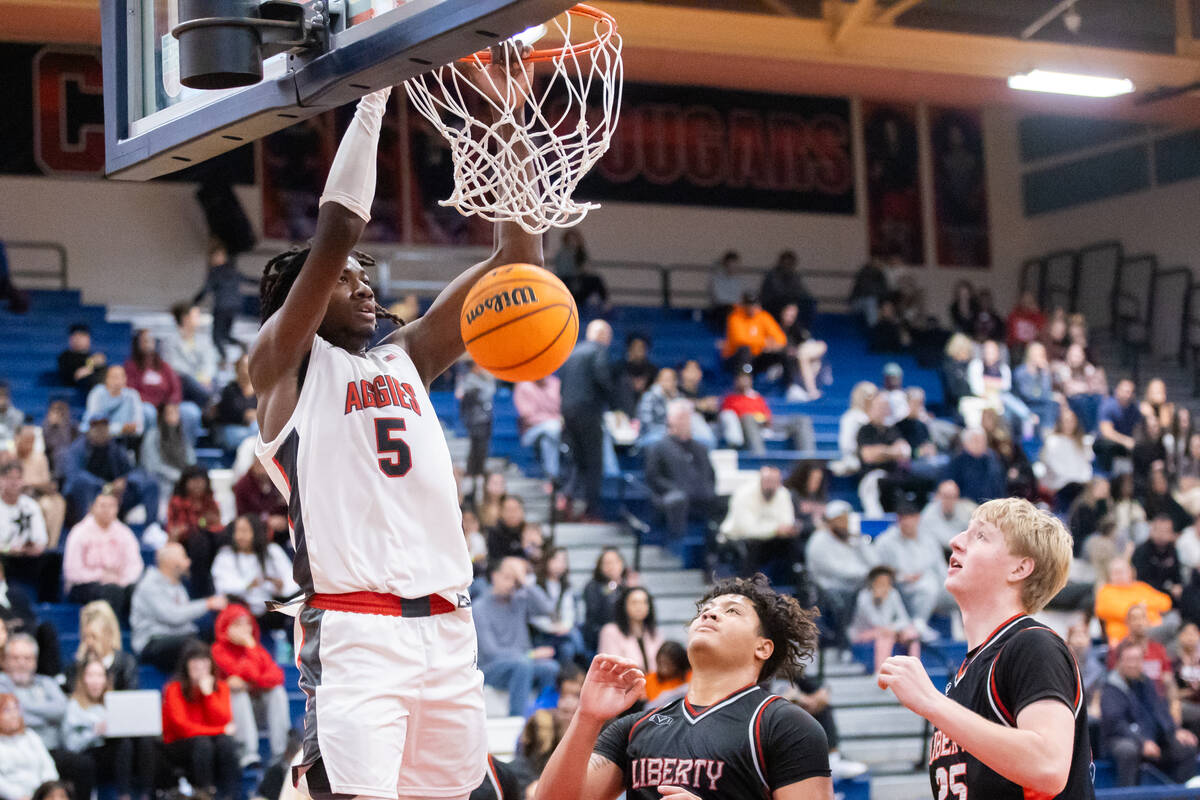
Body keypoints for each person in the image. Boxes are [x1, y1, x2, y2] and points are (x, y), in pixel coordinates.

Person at [534, 574, 833, 800]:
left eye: (732, 612)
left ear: (763, 648)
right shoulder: (636, 726)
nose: (710, 613)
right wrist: (587, 717)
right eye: (706, 609)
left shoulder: (788, 726)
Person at [878, 498, 1093, 799]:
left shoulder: (1033, 644)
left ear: (1019, 568)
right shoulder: (969, 669)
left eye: (980, 536)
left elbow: (1049, 767)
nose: (955, 541)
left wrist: (931, 703)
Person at [0, 634, 94, 800]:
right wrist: (46, 716)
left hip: (50, 747)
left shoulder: (47, 683)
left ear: (35, 661)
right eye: (15, 658)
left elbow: (61, 710)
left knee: (83, 764)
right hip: (11, 743)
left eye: (27, 658)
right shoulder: (2, 683)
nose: (22, 663)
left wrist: (24, 707)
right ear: (4, 661)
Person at [1101, 639, 1198, 786]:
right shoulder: (1111, 688)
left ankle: (1178, 794)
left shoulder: (1146, 682)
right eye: (1130, 660)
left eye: (1138, 659)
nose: (1134, 664)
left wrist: (1175, 731)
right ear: (1119, 661)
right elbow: (1117, 723)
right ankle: (1128, 795)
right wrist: (1142, 741)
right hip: (1120, 741)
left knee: (1186, 747)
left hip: (1151, 740)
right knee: (1128, 750)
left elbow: (1159, 710)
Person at [60, 654, 157, 800]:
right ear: (82, 679)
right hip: (92, 756)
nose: (95, 681)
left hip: (122, 756)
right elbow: (70, 745)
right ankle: (123, 795)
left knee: (145, 741)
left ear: (106, 680)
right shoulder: (73, 706)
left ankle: (147, 794)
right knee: (122, 743)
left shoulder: (114, 704)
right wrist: (95, 732)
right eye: (90, 675)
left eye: (100, 676)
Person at [474, 556, 559, 718]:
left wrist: (525, 582)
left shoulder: (519, 600)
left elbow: (548, 608)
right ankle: (518, 720)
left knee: (551, 668)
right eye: (507, 577)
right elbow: (490, 652)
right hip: (492, 667)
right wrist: (530, 655)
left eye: (515, 579)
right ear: (494, 576)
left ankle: (544, 718)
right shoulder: (479, 608)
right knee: (523, 665)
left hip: (522, 662)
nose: (511, 583)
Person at [210, 603, 290, 765]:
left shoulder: (255, 648)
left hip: (258, 708)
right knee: (236, 692)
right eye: (238, 624)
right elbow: (244, 672)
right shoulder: (218, 650)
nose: (245, 629)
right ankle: (247, 753)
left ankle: (280, 754)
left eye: (247, 623)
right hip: (230, 716)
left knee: (277, 692)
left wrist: (251, 682)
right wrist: (253, 676)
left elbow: (276, 677)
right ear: (226, 627)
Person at [161, 642, 241, 800]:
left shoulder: (221, 688)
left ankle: (232, 795)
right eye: (195, 661)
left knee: (226, 743)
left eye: (204, 661)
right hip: (179, 745)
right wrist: (219, 730)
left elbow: (223, 719)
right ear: (186, 665)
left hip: (210, 744)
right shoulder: (173, 689)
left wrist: (208, 694)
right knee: (203, 743)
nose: (200, 666)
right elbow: (182, 727)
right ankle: (205, 793)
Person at [130, 543, 227, 673]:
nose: (188, 561)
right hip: (152, 641)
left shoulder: (177, 585)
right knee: (191, 644)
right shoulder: (149, 585)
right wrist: (207, 603)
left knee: (217, 633)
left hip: (178, 637)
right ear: (171, 563)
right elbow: (173, 616)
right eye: (184, 557)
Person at [557, 320, 615, 519]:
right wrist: (614, 403)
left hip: (568, 412)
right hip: (588, 412)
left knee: (576, 459)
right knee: (593, 462)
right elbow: (602, 378)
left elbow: (562, 385)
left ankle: (568, 498)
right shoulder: (598, 350)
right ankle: (591, 510)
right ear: (603, 335)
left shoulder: (572, 353)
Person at [872, 500, 952, 641]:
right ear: (898, 520)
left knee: (960, 593)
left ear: (918, 518)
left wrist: (952, 586)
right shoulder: (885, 542)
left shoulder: (929, 539)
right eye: (903, 519)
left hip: (930, 587)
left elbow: (940, 568)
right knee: (928, 585)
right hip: (899, 587)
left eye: (911, 518)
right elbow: (878, 571)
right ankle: (918, 625)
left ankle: (964, 637)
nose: (907, 523)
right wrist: (901, 577)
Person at [804, 500, 876, 652]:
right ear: (831, 521)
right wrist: (866, 573)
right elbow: (836, 570)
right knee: (848, 596)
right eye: (841, 519)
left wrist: (861, 542)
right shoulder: (819, 541)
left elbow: (875, 562)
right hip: (827, 588)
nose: (845, 523)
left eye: (847, 519)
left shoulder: (852, 538)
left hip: (856, 584)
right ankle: (845, 643)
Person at [60, 417, 158, 526]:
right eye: (96, 427)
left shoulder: (114, 447)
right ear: (89, 430)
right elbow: (75, 477)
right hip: (87, 496)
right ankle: (90, 527)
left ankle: (151, 528)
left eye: (104, 427)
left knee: (150, 483)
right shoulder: (77, 449)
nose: (100, 430)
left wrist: (124, 481)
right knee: (85, 485)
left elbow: (130, 471)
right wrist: (105, 485)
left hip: (115, 494)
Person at [61, 491, 144, 617]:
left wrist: (122, 580)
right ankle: (108, 632)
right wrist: (101, 576)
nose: (107, 510)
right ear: (93, 507)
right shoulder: (79, 532)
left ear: (117, 508)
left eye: (111, 506)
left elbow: (135, 565)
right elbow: (72, 572)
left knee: (136, 590)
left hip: (119, 581)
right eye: (102, 505)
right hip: (85, 585)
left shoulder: (124, 533)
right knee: (112, 591)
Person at [643, 400, 718, 538]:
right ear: (671, 420)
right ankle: (675, 547)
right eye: (682, 418)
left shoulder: (700, 448)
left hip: (701, 496)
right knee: (678, 499)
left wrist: (708, 489)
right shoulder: (659, 447)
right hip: (671, 495)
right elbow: (653, 477)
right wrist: (674, 488)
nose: (686, 422)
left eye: (687, 418)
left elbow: (711, 474)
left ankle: (716, 545)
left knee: (723, 500)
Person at [211, 514, 297, 625]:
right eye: (237, 531)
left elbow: (292, 582)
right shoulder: (225, 556)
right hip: (241, 613)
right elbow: (223, 587)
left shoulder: (272, 551)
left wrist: (279, 585)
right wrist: (248, 585)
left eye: (245, 531)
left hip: (272, 609)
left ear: (256, 532)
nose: (240, 536)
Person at [124, 328, 200, 445]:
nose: (148, 343)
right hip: (146, 407)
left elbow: (176, 388)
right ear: (137, 343)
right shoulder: (131, 367)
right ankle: (146, 452)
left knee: (191, 411)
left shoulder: (164, 366)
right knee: (148, 412)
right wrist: (158, 405)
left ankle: (186, 453)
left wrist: (171, 404)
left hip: (167, 407)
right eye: (144, 340)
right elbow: (132, 392)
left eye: (150, 340)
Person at [719, 466, 798, 578]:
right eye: (768, 481)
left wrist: (780, 530)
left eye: (775, 482)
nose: (771, 486)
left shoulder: (783, 494)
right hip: (739, 538)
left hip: (771, 540)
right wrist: (775, 529)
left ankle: (794, 583)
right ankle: (747, 585)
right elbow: (747, 529)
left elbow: (787, 523)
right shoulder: (743, 494)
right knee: (753, 546)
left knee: (792, 542)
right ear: (760, 480)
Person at [166, 467, 225, 598]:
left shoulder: (210, 502)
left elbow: (216, 524)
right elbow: (179, 529)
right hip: (186, 545)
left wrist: (202, 524)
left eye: (201, 481)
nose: (197, 485)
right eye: (193, 481)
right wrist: (202, 522)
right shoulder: (177, 502)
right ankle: (201, 591)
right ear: (185, 483)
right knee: (199, 540)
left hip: (210, 544)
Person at [193, 241, 257, 360]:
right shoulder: (232, 270)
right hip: (235, 306)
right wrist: (264, 281)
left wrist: (194, 302)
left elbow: (207, 289)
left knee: (217, 337)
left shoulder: (215, 272)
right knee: (226, 335)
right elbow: (247, 280)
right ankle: (240, 347)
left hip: (222, 307)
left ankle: (224, 359)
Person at [850, 566, 920, 673]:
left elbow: (904, 619)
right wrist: (879, 601)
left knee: (911, 633)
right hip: (864, 633)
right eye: (880, 582)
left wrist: (895, 628)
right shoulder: (864, 597)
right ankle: (881, 673)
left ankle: (915, 669)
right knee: (885, 637)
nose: (885, 585)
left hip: (888, 630)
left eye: (887, 582)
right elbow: (877, 623)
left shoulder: (893, 593)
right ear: (873, 583)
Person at [1094, 559, 1173, 647]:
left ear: (1131, 572)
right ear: (1110, 575)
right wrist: (1145, 610)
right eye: (1115, 572)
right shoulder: (1106, 591)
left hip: (1152, 632)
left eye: (1121, 571)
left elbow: (1166, 602)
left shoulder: (1141, 587)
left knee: (1174, 620)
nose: (1119, 575)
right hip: (1123, 638)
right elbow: (1125, 613)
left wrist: (1144, 606)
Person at [13, 427, 66, 549]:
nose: (29, 446)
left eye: (31, 442)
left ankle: (51, 547)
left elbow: (46, 484)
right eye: (26, 441)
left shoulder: (40, 458)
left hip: (36, 496)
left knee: (56, 503)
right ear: (16, 439)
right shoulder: (8, 457)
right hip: (13, 497)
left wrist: (31, 484)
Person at [67, 601, 138, 692]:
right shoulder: (77, 667)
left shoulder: (126, 665)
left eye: (94, 637)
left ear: (109, 635)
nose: (89, 642)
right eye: (85, 637)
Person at [530, 547, 583, 668]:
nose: (560, 564)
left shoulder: (565, 586)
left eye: (563, 561)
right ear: (547, 560)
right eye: (556, 559)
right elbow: (533, 615)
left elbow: (568, 611)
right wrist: (552, 627)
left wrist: (565, 626)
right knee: (574, 637)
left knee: (568, 647)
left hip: (562, 632)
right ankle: (582, 655)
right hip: (541, 633)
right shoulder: (534, 582)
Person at [0, 693, 58, 800]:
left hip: (42, 793)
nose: (14, 715)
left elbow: (48, 765)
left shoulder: (30, 735)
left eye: (15, 709)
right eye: (7, 710)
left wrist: (47, 791)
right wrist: (19, 796)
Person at [721, 293, 790, 382]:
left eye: (753, 304)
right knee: (745, 350)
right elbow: (740, 340)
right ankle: (744, 384)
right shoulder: (735, 317)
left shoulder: (763, 316)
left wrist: (767, 345)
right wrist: (765, 342)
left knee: (785, 352)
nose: (751, 307)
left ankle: (788, 386)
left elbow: (781, 339)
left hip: (758, 355)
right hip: (735, 357)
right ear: (743, 305)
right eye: (748, 304)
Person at [163, 303, 220, 408]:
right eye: (196, 316)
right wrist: (197, 377)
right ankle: (211, 401)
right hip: (186, 381)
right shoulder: (170, 341)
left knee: (215, 378)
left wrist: (205, 377)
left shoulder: (204, 340)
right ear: (186, 318)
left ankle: (211, 401)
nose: (199, 319)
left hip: (203, 380)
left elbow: (209, 360)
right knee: (189, 380)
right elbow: (174, 365)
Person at [597, 587, 664, 674]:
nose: (640, 607)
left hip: (654, 684)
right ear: (624, 605)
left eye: (644, 602)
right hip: (623, 685)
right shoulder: (610, 632)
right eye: (634, 602)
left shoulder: (654, 633)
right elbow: (611, 668)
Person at [581, 548, 636, 654]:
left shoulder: (627, 585)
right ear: (600, 566)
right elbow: (600, 614)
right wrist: (614, 587)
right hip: (599, 634)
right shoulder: (592, 586)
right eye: (608, 563)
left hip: (626, 633)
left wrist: (632, 590)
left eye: (616, 561)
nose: (613, 566)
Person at [1038, 407, 1093, 510]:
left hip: (1080, 485)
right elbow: (1052, 466)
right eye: (1066, 421)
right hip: (1060, 486)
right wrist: (1069, 478)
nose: (1069, 424)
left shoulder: (1082, 442)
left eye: (1072, 421)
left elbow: (1086, 465)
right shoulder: (1053, 441)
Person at [514, 374, 563, 483]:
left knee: (548, 439)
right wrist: (552, 418)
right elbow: (527, 416)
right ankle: (554, 476)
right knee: (552, 428)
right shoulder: (524, 386)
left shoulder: (555, 383)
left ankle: (552, 477)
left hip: (555, 429)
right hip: (530, 432)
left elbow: (562, 407)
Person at [83, 366, 144, 447]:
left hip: (125, 440)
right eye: (114, 377)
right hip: (99, 441)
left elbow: (139, 427)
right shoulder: (97, 393)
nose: (118, 381)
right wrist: (120, 429)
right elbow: (92, 425)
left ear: (125, 379)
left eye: (121, 377)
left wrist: (130, 429)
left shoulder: (132, 395)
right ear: (106, 379)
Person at [458, 360, 496, 490]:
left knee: (482, 449)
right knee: (475, 448)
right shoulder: (470, 380)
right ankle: (471, 474)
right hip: (474, 420)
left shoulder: (484, 380)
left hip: (485, 419)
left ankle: (479, 475)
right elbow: (483, 395)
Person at [231, 459, 288, 544]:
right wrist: (267, 521)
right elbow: (243, 515)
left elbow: (290, 508)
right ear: (254, 464)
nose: (263, 470)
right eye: (260, 465)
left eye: (266, 465)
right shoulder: (242, 486)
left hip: (282, 531)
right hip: (254, 531)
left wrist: (285, 520)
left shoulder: (279, 480)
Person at [945, 428, 1005, 505]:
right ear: (966, 444)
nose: (980, 444)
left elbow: (999, 484)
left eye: (982, 440)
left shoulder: (993, 458)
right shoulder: (957, 460)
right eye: (975, 440)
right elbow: (949, 485)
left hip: (992, 504)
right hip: (965, 505)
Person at [760, 250, 815, 330]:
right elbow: (777, 292)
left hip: (790, 302)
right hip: (772, 303)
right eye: (786, 262)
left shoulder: (794, 275)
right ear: (781, 262)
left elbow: (801, 290)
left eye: (790, 263)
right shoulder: (772, 275)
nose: (787, 265)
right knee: (788, 305)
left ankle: (803, 331)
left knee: (809, 303)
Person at [214, 354, 258, 454]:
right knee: (253, 437)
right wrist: (247, 415)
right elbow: (228, 413)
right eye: (243, 367)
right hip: (232, 430)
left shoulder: (260, 390)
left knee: (255, 433)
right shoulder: (229, 390)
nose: (246, 371)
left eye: (249, 366)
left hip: (253, 430)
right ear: (237, 369)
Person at [918, 480, 976, 552]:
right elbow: (925, 540)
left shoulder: (968, 510)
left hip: (962, 550)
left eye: (952, 497)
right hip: (937, 551)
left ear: (957, 497)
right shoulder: (928, 514)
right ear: (938, 497)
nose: (949, 500)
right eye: (945, 496)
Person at [1095, 379, 1140, 472]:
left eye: (1129, 392)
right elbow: (1106, 432)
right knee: (1106, 446)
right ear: (1117, 391)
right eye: (1124, 391)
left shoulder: (1135, 409)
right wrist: (1126, 441)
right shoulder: (1108, 405)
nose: (1126, 395)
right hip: (1109, 445)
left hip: (1126, 447)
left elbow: (1138, 428)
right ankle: (1105, 476)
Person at [57, 323, 106, 393]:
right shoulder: (65, 357)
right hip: (76, 392)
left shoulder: (92, 356)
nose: (78, 340)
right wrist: (91, 364)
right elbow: (77, 375)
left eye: (82, 336)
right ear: (70, 339)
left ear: (89, 339)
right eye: (75, 336)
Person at [643, 641, 690, 707]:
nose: (663, 668)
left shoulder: (689, 680)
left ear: (679, 664)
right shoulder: (647, 681)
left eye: (668, 664)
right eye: (660, 663)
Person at [708, 250, 744, 329]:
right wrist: (733, 303)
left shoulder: (739, 280)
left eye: (736, 264)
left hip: (736, 307)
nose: (733, 266)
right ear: (725, 264)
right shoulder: (716, 278)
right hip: (721, 308)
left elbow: (741, 296)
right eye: (731, 263)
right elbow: (718, 298)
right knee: (727, 312)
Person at [1006, 291, 1045, 361]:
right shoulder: (1015, 314)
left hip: (1032, 345)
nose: (1026, 303)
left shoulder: (1037, 316)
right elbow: (1012, 333)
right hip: (1017, 345)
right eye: (1025, 300)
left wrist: (1036, 312)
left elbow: (1041, 331)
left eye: (1029, 301)